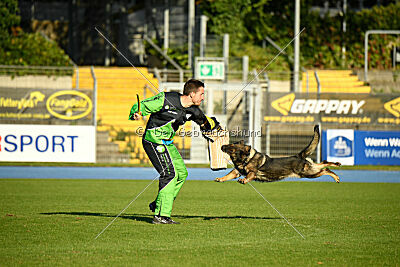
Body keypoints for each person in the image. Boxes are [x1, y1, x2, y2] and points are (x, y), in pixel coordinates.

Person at [129, 79, 220, 224]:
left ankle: (159, 203)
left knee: (182, 174)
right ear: (191, 94)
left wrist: (215, 129)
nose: (203, 97)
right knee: (169, 174)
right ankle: (161, 215)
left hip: (167, 143)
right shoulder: (167, 99)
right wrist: (136, 113)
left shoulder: (194, 111)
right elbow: (141, 107)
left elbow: (205, 123)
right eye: (201, 94)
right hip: (153, 140)